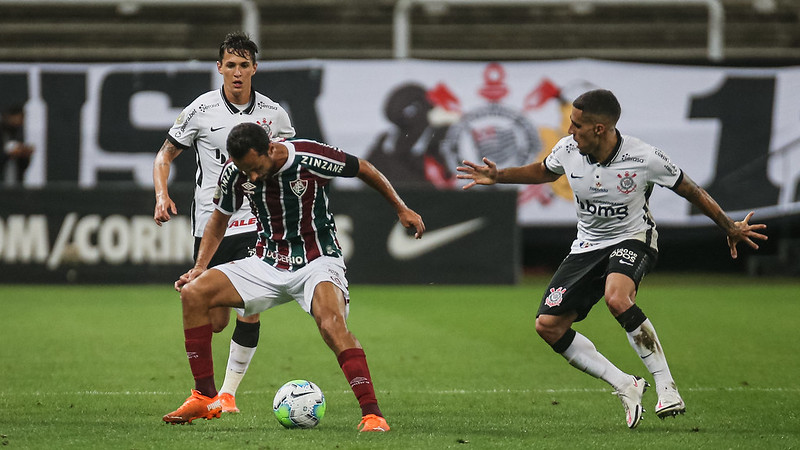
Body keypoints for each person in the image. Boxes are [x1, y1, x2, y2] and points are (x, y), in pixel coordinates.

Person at [457, 89, 767, 429]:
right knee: (548, 326)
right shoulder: (568, 149)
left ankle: (667, 386)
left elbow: (690, 189)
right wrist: (498, 176)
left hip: (634, 238)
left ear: (600, 128)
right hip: (587, 246)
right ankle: (625, 385)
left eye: (577, 125)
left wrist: (729, 226)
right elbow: (544, 171)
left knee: (617, 297)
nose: (570, 131)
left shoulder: (643, 157)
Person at [162, 122, 426, 431]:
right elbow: (219, 218)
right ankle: (205, 396)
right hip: (266, 261)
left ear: (270, 149)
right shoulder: (236, 172)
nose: (253, 177)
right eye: (246, 170)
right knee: (194, 292)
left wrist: (401, 209)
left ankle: (372, 415)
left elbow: (363, 168)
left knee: (331, 324)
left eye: (256, 167)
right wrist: (200, 267)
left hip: (317, 260)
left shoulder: (308, 157)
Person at [153, 31, 295, 414]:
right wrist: (162, 194)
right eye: (230, 65)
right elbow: (164, 155)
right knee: (215, 320)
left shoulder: (273, 114)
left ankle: (225, 395)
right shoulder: (200, 110)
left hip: (256, 221)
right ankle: (213, 392)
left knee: (250, 306)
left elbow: (288, 160)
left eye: (244, 65)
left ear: (254, 68)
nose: (236, 72)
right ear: (219, 68)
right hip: (211, 223)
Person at [1, 104, 34, 185]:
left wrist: (25, 154)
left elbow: (23, 166)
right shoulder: (3, 133)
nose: (20, 121)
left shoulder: (17, 134)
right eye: (19, 118)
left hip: (15, 184)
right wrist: (8, 154)